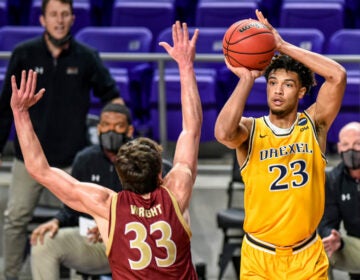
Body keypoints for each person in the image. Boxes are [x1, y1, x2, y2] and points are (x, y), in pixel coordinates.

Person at [10, 20, 202, 279]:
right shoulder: (176, 192)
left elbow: (38, 169)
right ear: (160, 174)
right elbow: (191, 128)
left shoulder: (107, 205)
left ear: (120, 179)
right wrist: (185, 66)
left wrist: (21, 113)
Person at [214, 10, 346, 279]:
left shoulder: (314, 124)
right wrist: (247, 79)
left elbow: (337, 76)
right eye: (272, 82)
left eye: (287, 85)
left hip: (307, 255)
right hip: (260, 257)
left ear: (300, 92)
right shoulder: (251, 129)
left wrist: (281, 45)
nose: (277, 90)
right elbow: (223, 134)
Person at [0, 0, 123, 278]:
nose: (59, 20)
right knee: (15, 221)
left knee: (71, 224)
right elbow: (6, 106)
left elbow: (112, 97)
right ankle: (9, 276)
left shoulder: (87, 57)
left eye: (64, 14)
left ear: (72, 18)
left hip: (71, 162)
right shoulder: (23, 54)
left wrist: (119, 126)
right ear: (42, 20)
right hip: (27, 160)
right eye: (53, 14)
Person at [30, 102, 172, 279]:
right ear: (98, 129)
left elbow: (162, 210)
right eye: (105, 125)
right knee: (44, 243)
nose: (110, 131)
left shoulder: (145, 163)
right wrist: (57, 221)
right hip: (93, 239)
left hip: (136, 242)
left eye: (118, 126)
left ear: (129, 130)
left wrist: (115, 223)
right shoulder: (85, 159)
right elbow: (71, 203)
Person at [318, 122, 360, 280]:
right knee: (318, 253)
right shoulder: (334, 179)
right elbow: (327, 222)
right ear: (339, 147)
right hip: (355, 245)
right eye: (346, 144)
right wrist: (332, 237)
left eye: (357, 144)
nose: (351, 149)